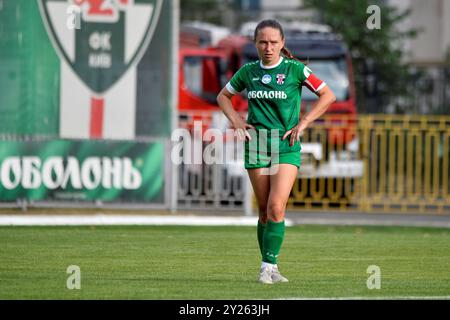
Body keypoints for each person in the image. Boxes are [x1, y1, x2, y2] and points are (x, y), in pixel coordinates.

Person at [216, 19, 336, 284]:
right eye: (263, 42)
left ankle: (266, 267)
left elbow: (328, 95)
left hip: (286, 146)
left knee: (276, 207)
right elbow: (222, 96)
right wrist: (236, 120)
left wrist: (303, 122)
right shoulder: (248, 71)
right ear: (255, 44)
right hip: (257, 144)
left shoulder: (295, 70)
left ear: (282, 44)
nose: (268, 47)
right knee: (263, 211)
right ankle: (270, 266)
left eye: (273, 42)